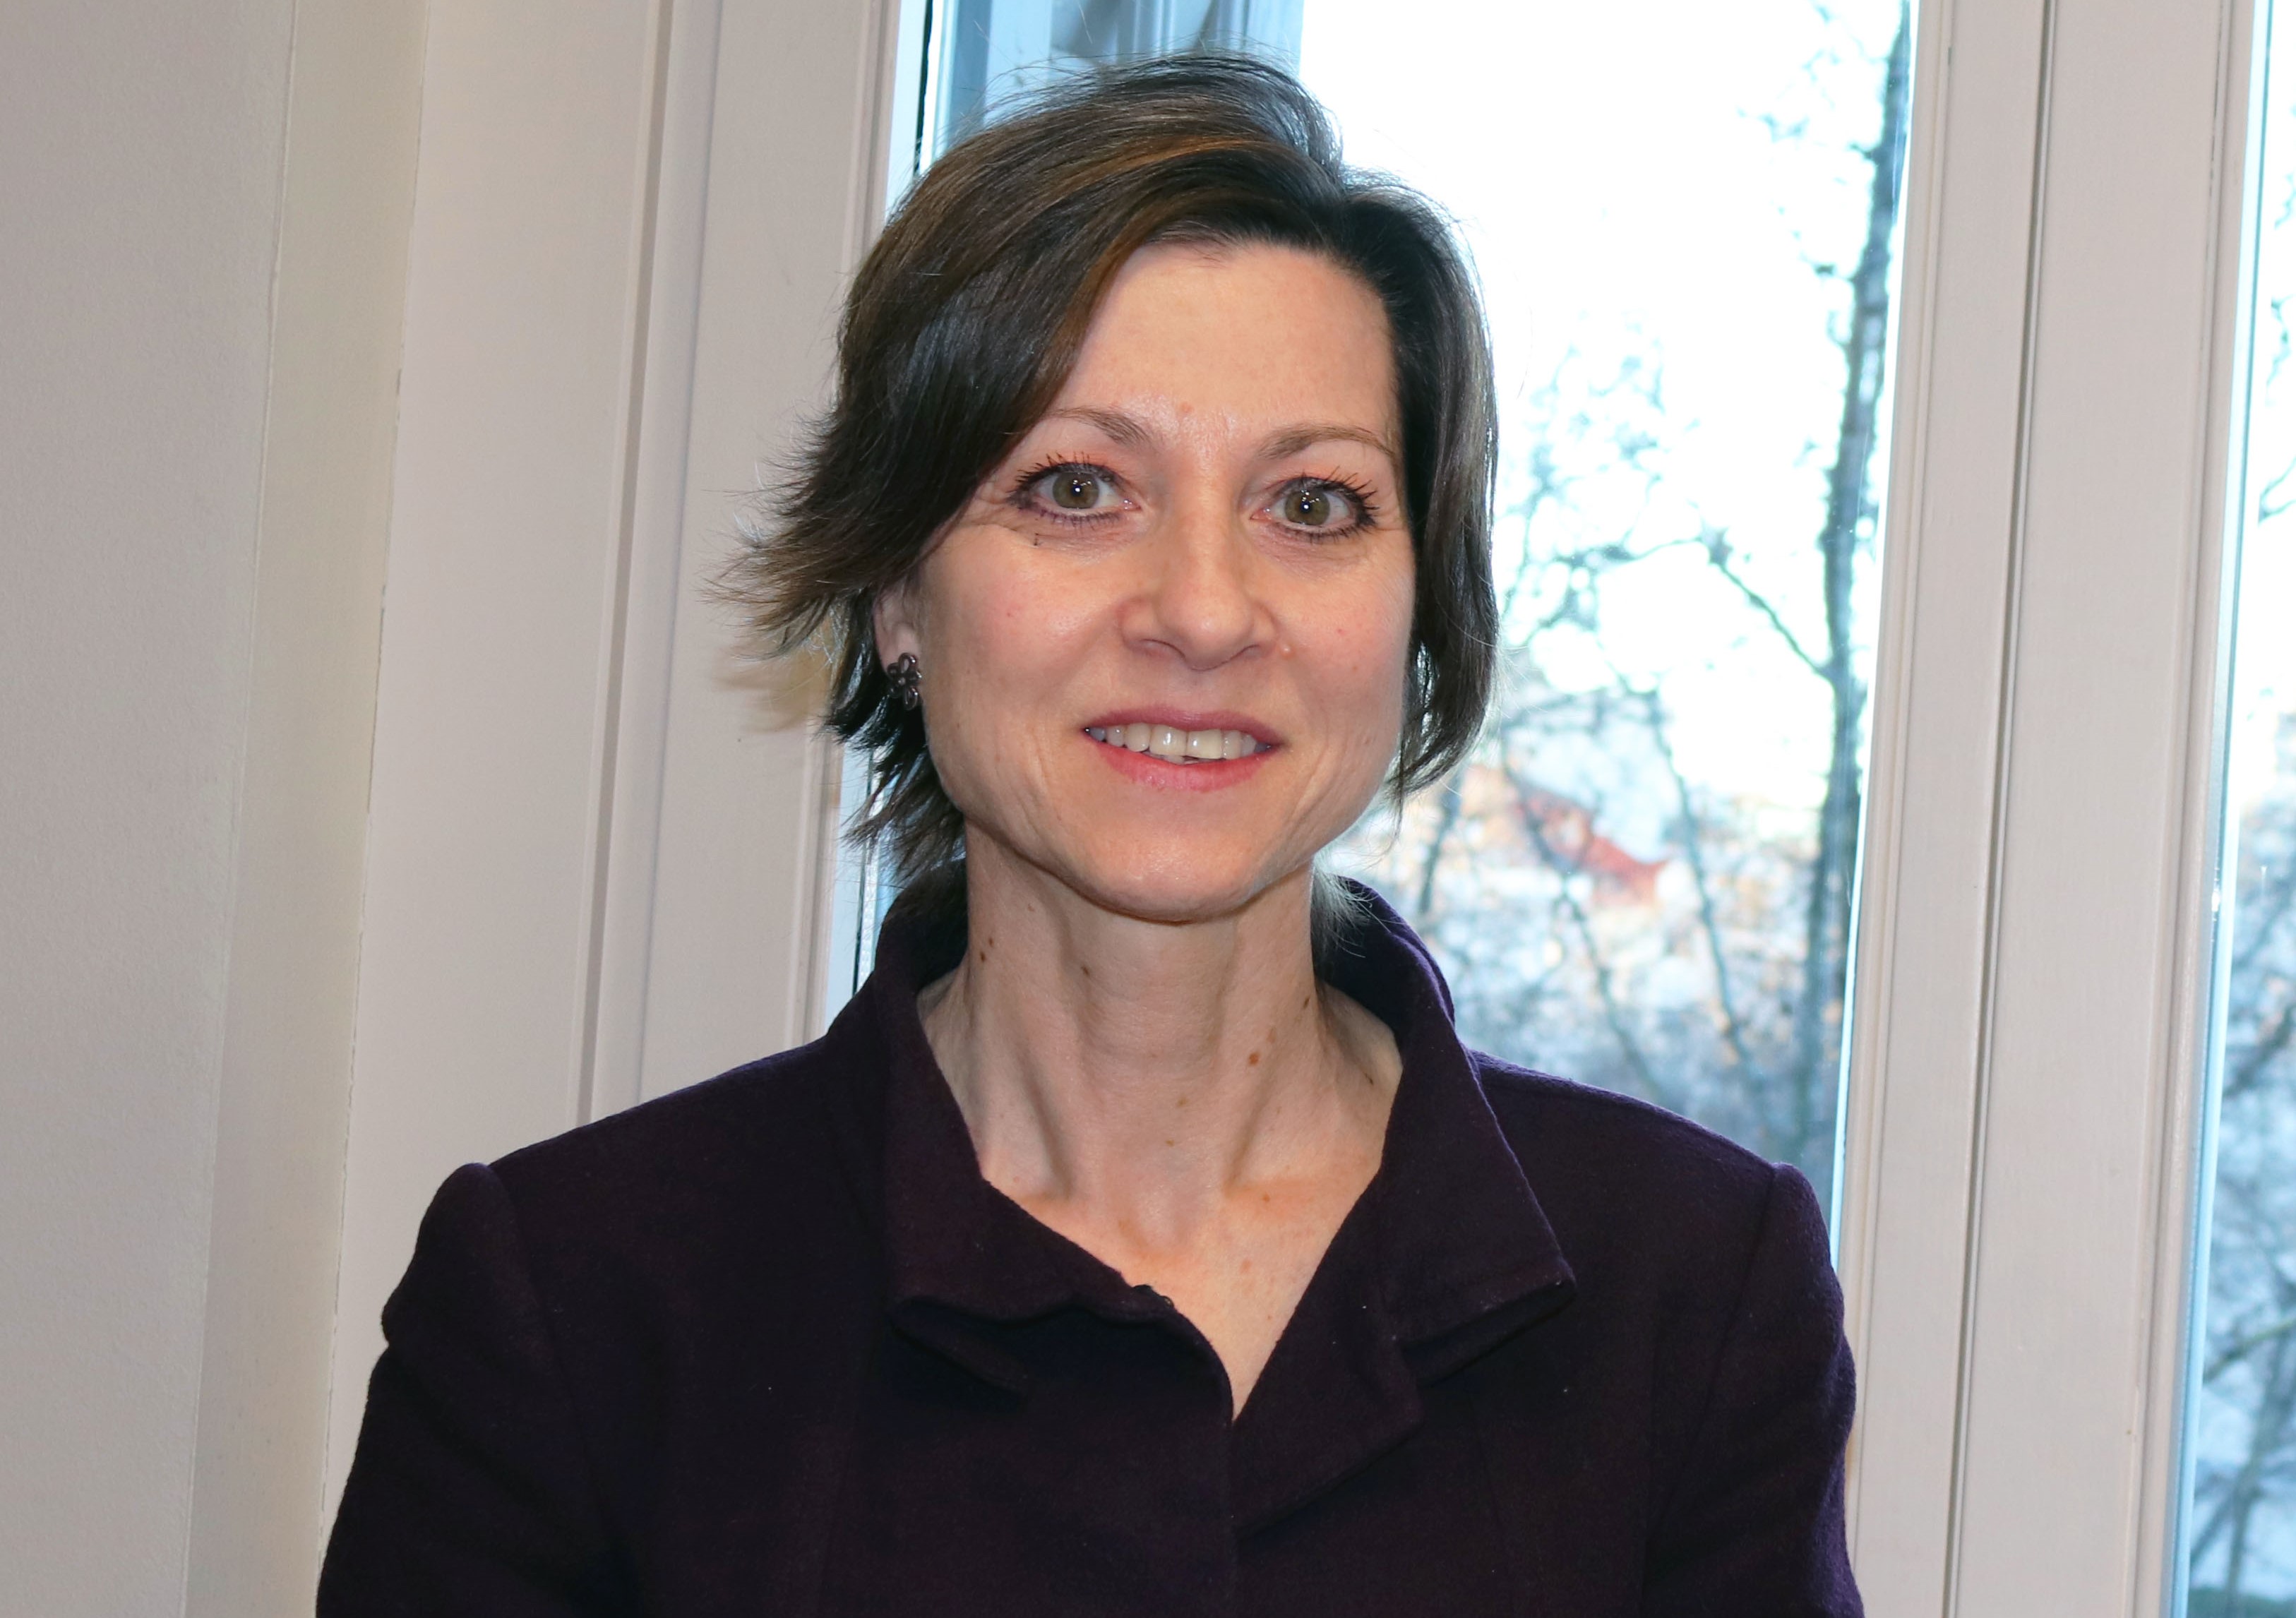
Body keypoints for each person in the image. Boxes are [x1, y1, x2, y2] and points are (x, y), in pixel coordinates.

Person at [319, 55, 1862, 1617]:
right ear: (897, 593)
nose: (1202, 610)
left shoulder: (1696, 1294)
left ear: (1418, 618)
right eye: (1076, 488)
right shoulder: (573, 1307)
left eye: (1313, 504)